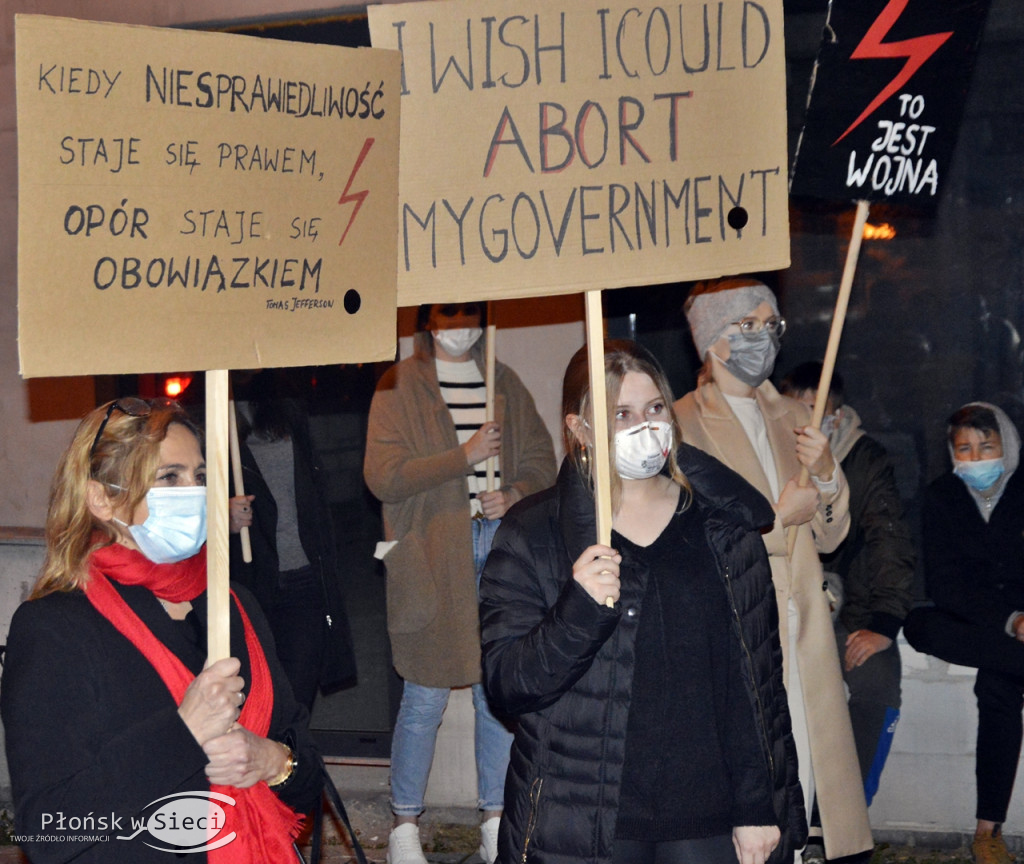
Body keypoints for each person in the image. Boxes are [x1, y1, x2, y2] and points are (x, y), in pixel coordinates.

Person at [479, 339, 805, 864]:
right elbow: (508, 684)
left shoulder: (720, 527)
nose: (644, 427)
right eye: (620, 414)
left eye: (654, 409)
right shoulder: (534, 533)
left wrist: (756, 804)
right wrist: (578, 610)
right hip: (585, 821)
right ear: (580, 430)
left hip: (707, 815)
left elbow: (750, 681)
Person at [0, 398, 323, 863]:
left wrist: (273, 763)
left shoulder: (233, 605)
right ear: (101, 498)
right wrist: (183, 732)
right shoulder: (55, 627)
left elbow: (307, 772)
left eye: (200, 477)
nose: (192, 492)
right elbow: (48, 828)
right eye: (169, 477)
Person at [673, 277, 873, 861]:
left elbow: (832, 534)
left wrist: (830, 472)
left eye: (773, 325)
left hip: (801, 624)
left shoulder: (793, 415)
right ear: (716, 340)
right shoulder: (684, 423)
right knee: (748, 777)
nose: (767, 338)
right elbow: (692, 540)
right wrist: (779, 521)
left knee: (803, 764)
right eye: (751, 326)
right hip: (738, 626)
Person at [363, 302, 556, 864]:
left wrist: (515, 493)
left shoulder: (501, 377)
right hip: (431, 555)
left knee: (493, 693)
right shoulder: (398, 384)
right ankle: (404, 825)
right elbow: (383, 476)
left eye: (470, 313)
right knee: (424, 696)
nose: (460, 325)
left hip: (498, 550)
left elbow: (544, 458)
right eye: (448, 314)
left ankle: (495, 817)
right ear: (427, 318)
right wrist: (463, 457)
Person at [779, 362, 914, 807]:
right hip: (782, 611)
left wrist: (884, 622)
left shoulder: (864, 457)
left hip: (848, 610)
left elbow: (887, 538)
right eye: (794, 414)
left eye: (816, 416)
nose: (804, 427)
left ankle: (846, 812)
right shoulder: (767, 451)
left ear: (836, 417)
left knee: (876, 681)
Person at [903, 402, 1024, 864]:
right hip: (967, 619)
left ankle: (986, 832)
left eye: (985, 446)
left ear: (1006, 444)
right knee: (919, 625)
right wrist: (1010, 621)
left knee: (999, 684)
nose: (975, 459)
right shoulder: (941, 496)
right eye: (964, 449)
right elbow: (947, 585)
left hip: (1011, 633)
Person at [227, 368, 357, 714]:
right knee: (254, 703)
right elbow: (180, 501)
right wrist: (218, 515)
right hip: (247, 586)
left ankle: (288, 767)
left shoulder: (285, 402)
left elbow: (314, 491)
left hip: (302, 578)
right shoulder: (203, 411)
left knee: (295, 703)